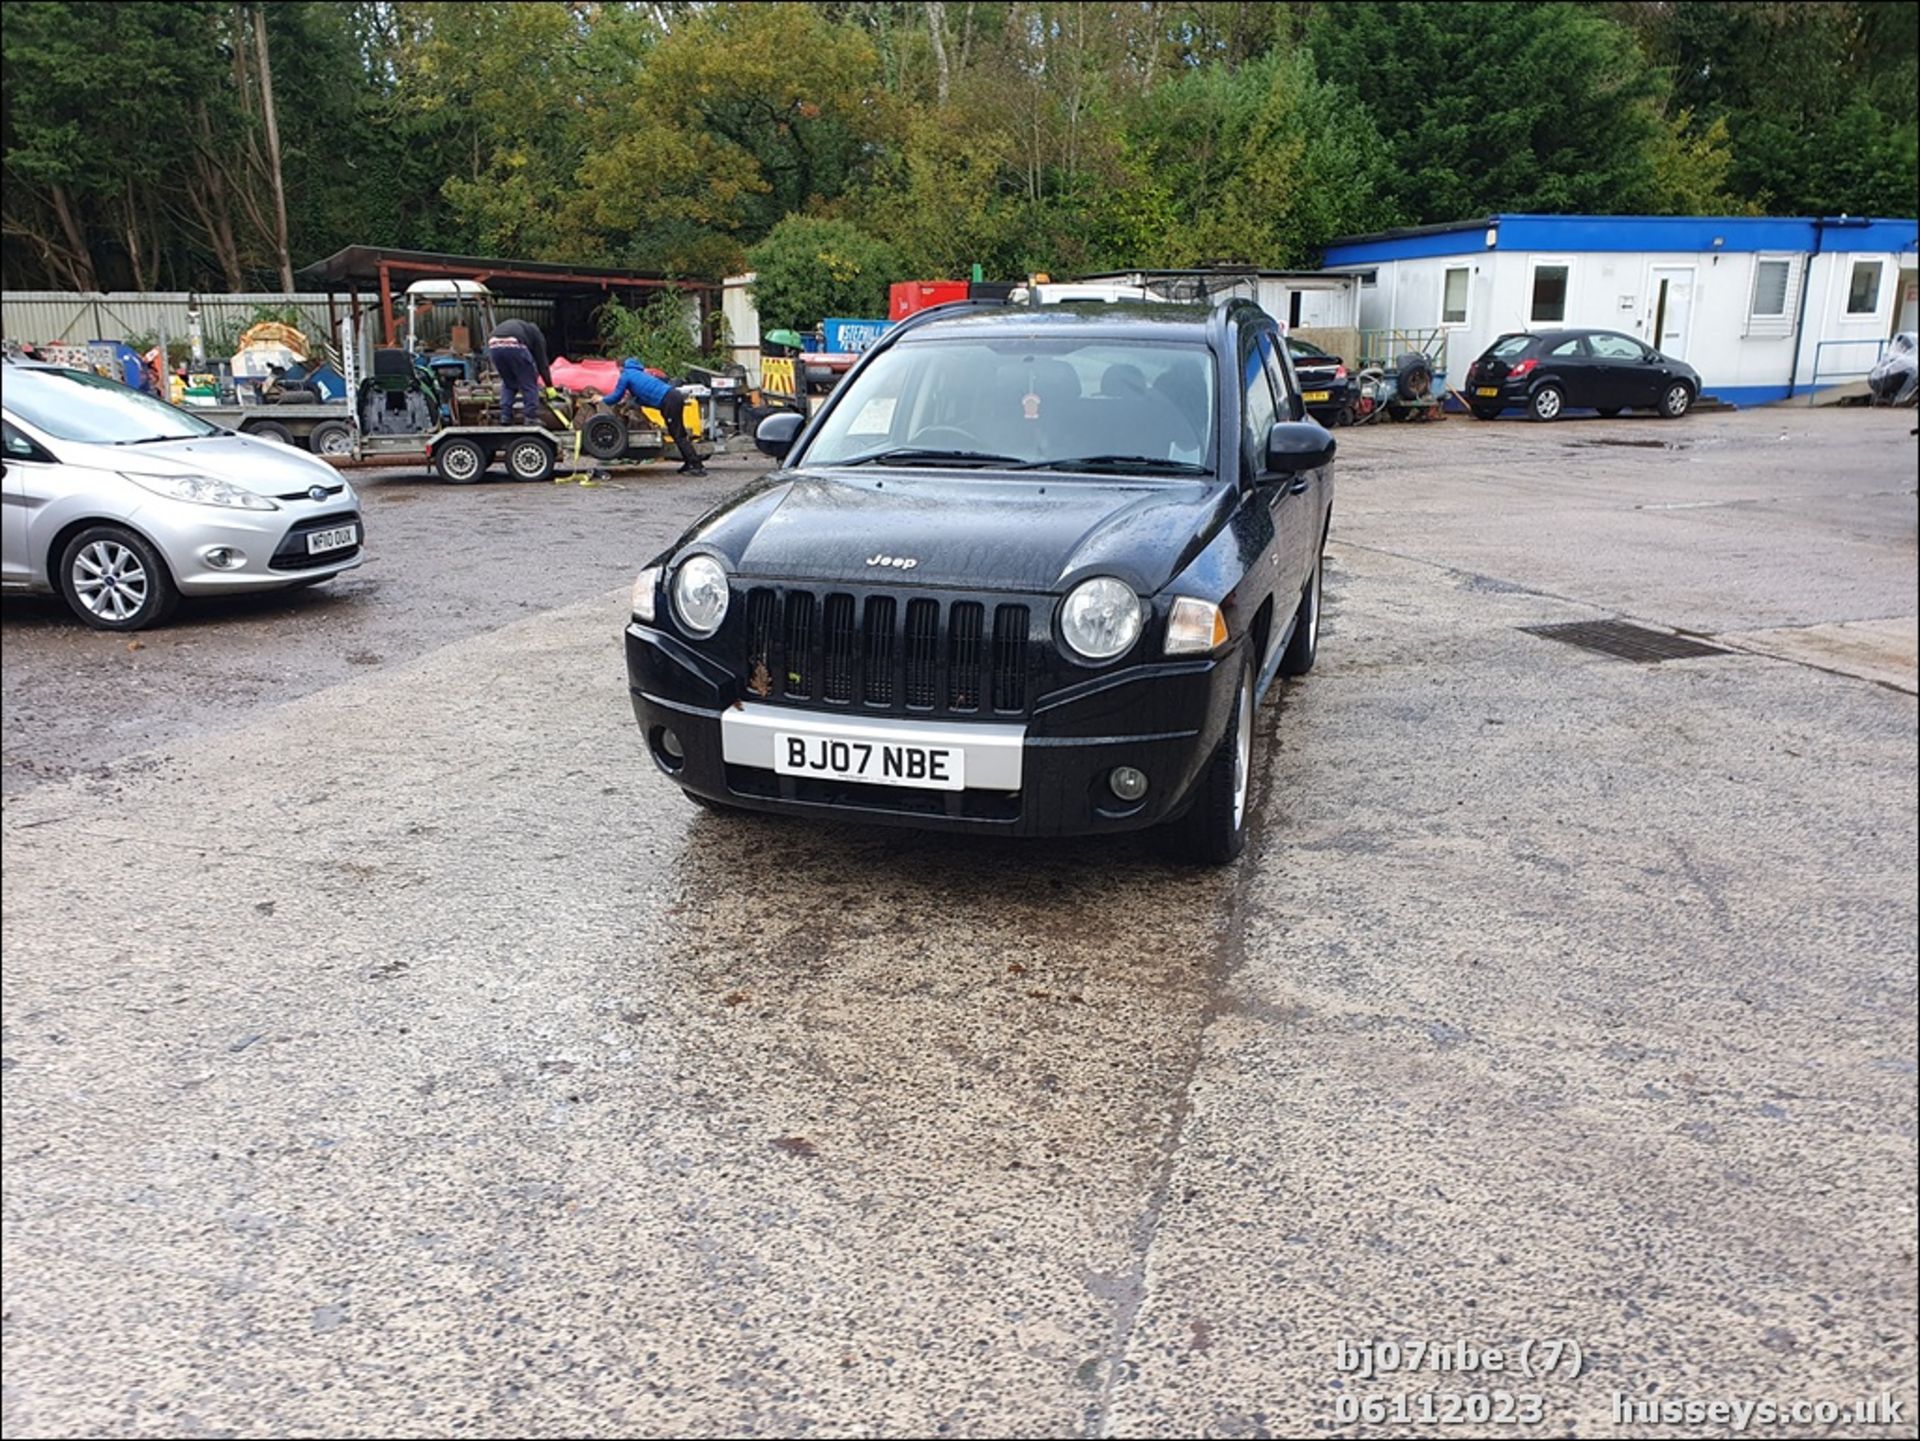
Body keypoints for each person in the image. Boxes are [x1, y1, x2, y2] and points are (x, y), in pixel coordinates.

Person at [601, 356, 706, 475]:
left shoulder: (626, 375)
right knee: (678, 433)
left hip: (669, 400)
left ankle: (697, 466)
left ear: (620, 367)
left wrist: (602, 399)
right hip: (673, 396)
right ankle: (689, 462)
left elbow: (616, 396)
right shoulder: (639, 372)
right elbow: (643, 395)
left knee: (678, 434)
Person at [485, 318, 558, 426]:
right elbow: (542, 363)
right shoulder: (537, 336)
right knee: (529, 382)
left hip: (493, 346)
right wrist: (549, 386)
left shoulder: (523, 329)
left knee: (509, 382)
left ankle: (505, 415)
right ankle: (530, 417)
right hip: (514, 344)